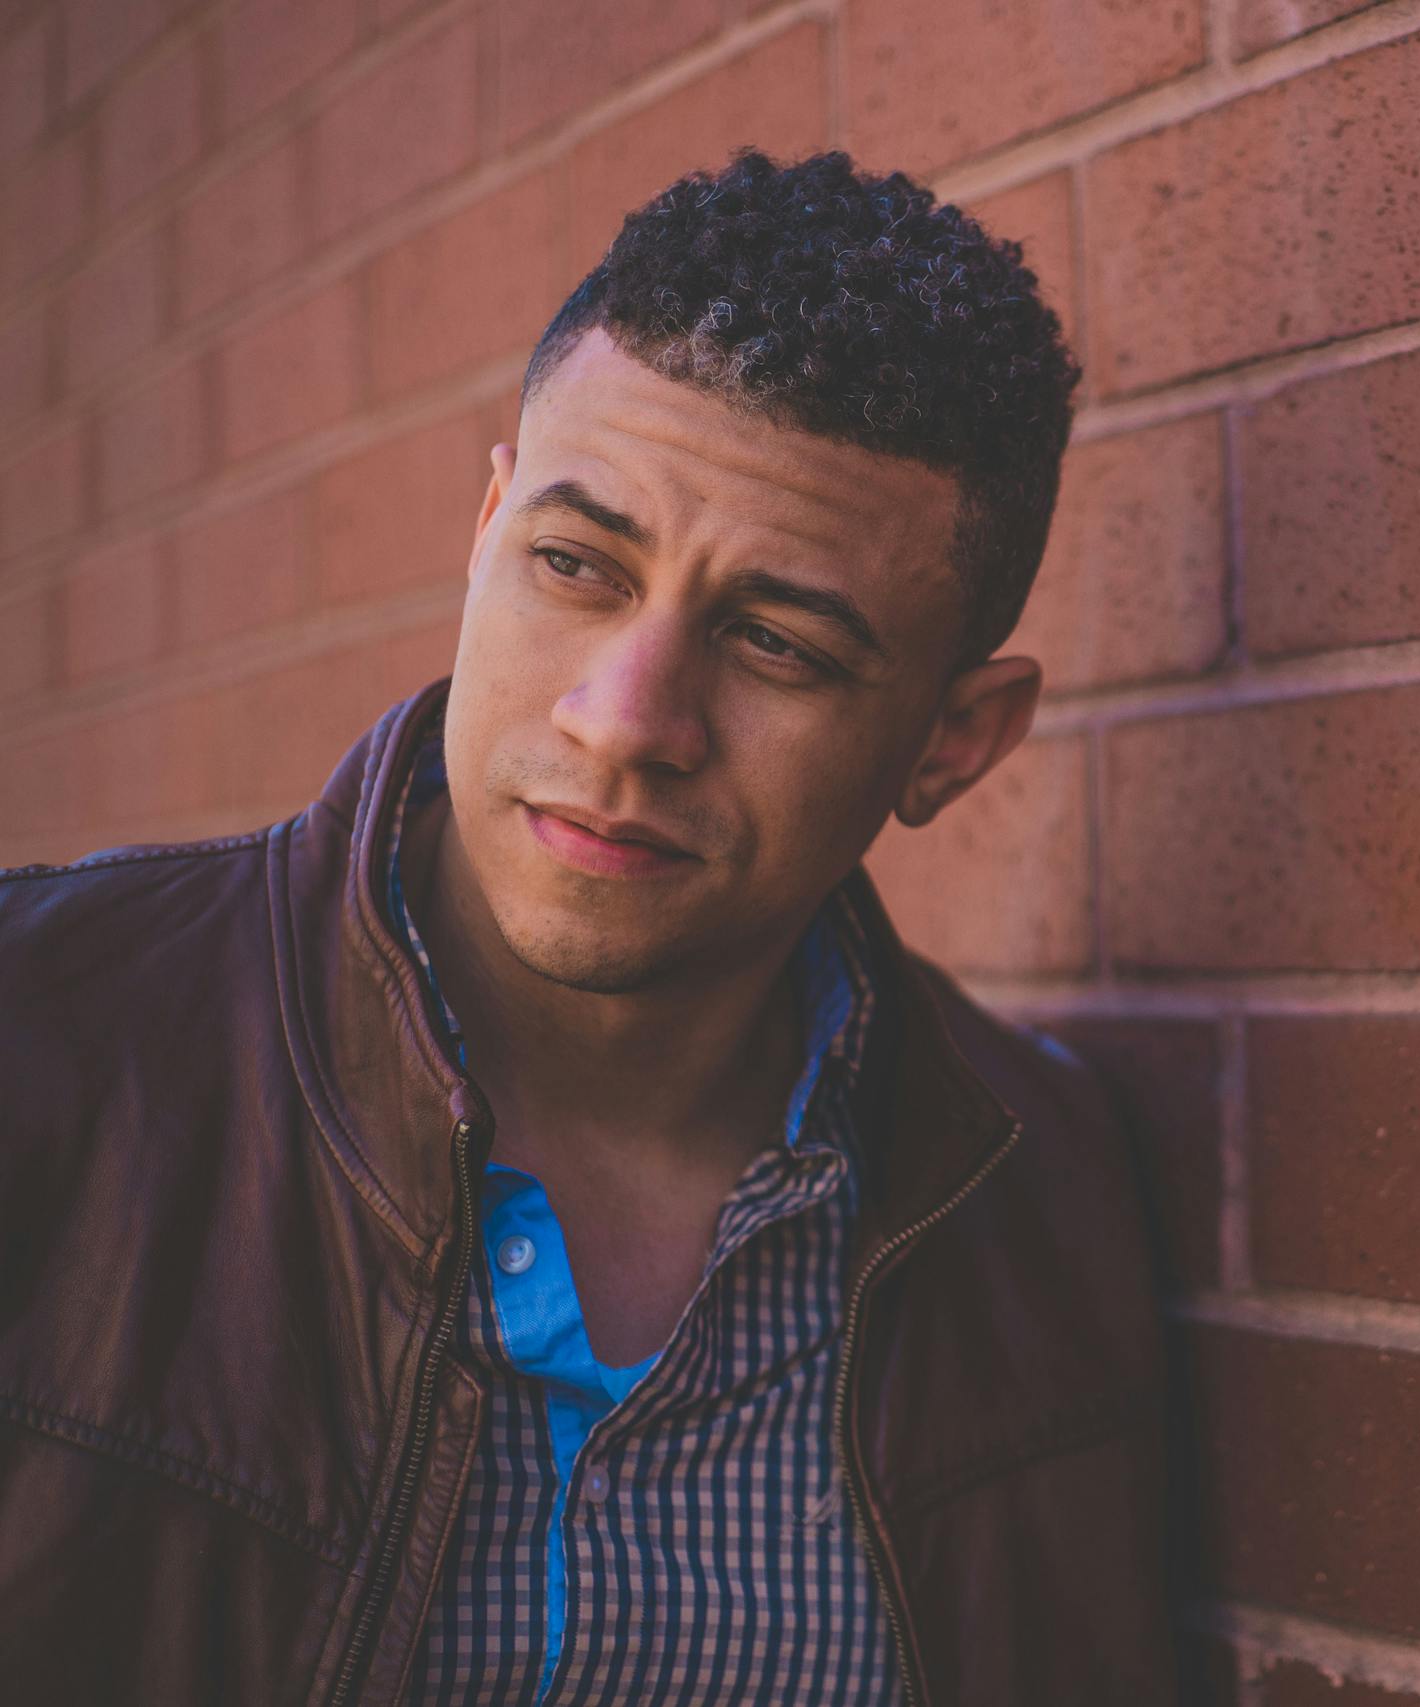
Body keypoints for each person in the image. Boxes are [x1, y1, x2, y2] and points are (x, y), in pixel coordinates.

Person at [0, 148, 1178, 1705]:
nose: (625, 721)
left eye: (775, 642)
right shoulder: (44, 1043)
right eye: (575, 565)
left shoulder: (1037, 1198)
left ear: (954, 741)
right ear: (487, 530)